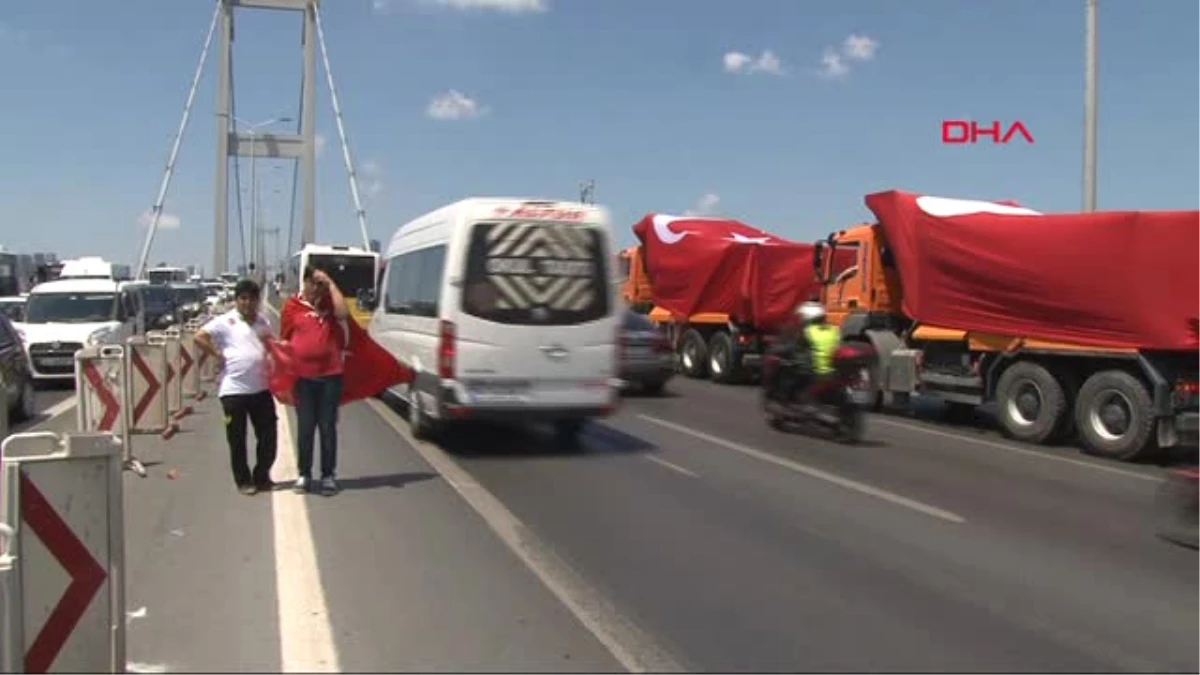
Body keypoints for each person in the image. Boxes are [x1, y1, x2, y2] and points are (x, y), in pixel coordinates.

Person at [194, 279, 277, 495]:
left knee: (268, 436)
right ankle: (243, 480)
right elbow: (199, 337)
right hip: (233, 392)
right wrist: (216, 354)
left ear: (258, 300)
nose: (248, 303)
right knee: (237, 439)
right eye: (243, 298)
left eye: (252, 298)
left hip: (261, 389)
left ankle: (262, 476)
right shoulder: (225, 321)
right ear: (237, 300)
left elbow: (271, 346)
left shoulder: (263, 322)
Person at [279, 266, 349, 496]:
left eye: (321, 284)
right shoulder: (292, 307)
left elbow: (343, 314)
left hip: (330, 376)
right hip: (303, 378)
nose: (318, 288)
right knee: (306, 428)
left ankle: (328, 475)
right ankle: (304, 474)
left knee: (328, 427)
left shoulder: (330, 305)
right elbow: (285, 338)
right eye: (315, 283)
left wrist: (331, 282)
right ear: (305, 283)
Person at [798, 301, 842, 405]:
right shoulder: (835, 330)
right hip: (834, 374)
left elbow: (797, 350)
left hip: (815, 374)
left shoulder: (808, 331)